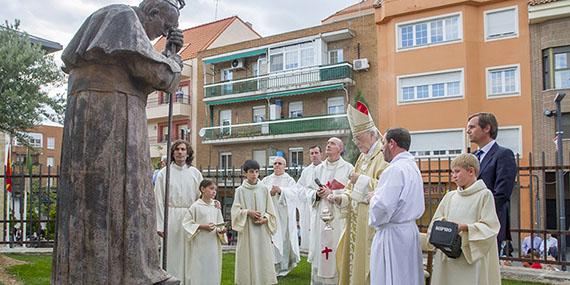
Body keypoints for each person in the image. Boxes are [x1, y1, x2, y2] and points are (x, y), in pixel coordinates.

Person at [53, 0, 185, 283]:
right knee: (124, 194)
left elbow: (142, 73)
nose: (162, 34)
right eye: (164, 27)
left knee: (98, 197)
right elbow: (158, 74)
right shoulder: (123, 17)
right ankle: (126, 274)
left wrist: (169, 54)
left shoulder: (114, 18)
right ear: (152, 12)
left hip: (97, 111)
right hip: (112, 112)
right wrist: (174, 60)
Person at [427, 153, 501, 285]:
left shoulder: (484, 195)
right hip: (448, 253)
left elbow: (490, 226)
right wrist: (444, 226)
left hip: (470, 254)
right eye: (452, 172)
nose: (453, 176)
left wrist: (466, 227)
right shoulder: (450, 196)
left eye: (457, 172)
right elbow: (436, 220)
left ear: (471, 171)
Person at [336, 102, 389, 285]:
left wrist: (360, 179)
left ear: (372, 135)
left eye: (358, 137)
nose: (355, 141)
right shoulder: (362, 157)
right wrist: (341, 198)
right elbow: (351, 190)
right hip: (356, 220)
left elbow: (386, 188)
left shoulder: (383, 157)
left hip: (370, 221)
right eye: (354, 137)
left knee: (367, 265)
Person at [369, 127, 425, 285]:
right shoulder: (413, 167)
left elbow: (383, 208)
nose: (381, 148)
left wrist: (373, 198)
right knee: (407, 277)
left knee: (391, 277)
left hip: (392, 235)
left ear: (392, 143)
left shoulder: (394, 170)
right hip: (408, 232)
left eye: (383, 143)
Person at [155, 140, 203, 284]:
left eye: (183, 149)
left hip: (190, 217)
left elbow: (202, 196)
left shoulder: (195, 173)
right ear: (172, 153)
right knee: (172, 253)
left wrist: (213, 205)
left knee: (190, 252)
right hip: (171, 217)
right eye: (177, 149)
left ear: (188, 153)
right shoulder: (164, 174)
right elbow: (158, 199)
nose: (180, 152)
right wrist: (160, 223)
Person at [467, 112, 517, 247]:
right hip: (469, 224)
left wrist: (479, 212)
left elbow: (502, 193)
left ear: (486, 128)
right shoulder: (471, 157)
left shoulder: (503, 154)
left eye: (472, 127)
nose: (468, 131)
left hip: (489, 223)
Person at [308, 137, 353, 285]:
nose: (328, 145)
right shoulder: (318, 169)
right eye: (327, 143)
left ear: (340, 148)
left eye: (332, 143)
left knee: (337, 251)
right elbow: (306, 191)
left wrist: (333, 194)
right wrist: (316, 194)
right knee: (320, 250)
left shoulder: (348, 169)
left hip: (338, 218)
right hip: (321, 217)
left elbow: (352, 193)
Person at [231, 160, 278, 285]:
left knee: (263, 257)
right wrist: (247, 212)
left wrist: (266, 218)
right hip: (247, 230)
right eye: (251, 172)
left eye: (257, 172)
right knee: (247, 258)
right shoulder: (240, 191)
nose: (254, 175)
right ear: (245, 173)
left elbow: (271, 211)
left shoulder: (264, 189)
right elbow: (235, 212)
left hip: (262, 231)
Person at [182, 179, 226, 285]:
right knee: (200, 267)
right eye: (211, 189)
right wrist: (202, 226)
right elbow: (186, 224)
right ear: (202, 189)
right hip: (200, 244)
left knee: (212, 267)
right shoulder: (196, 206)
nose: (214, 191)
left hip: (213, 245)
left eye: (215, 189)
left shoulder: (215, 206)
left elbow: (220, 223)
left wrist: (221, 230)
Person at [262, 156, 300, 276]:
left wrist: (281, 191)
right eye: (275, 163)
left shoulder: (289, 180)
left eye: (280, 163)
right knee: (270, 240)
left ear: (285, 166)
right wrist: (270, 192)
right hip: (270, 215)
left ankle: (283, 268)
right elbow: (261, 194)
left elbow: (295, 194)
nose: (277, 165)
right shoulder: (267, 180)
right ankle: (270, 267)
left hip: (284, 216)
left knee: (283, 240)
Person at [296, 145, 323, 252]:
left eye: (316, 153)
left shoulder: (325, 168)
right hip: (309, 206)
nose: (314, 155)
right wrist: (310, 194)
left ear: (321, 154)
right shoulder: (306, 171)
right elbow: (299, 188)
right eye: (312, 153)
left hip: (323, 204)